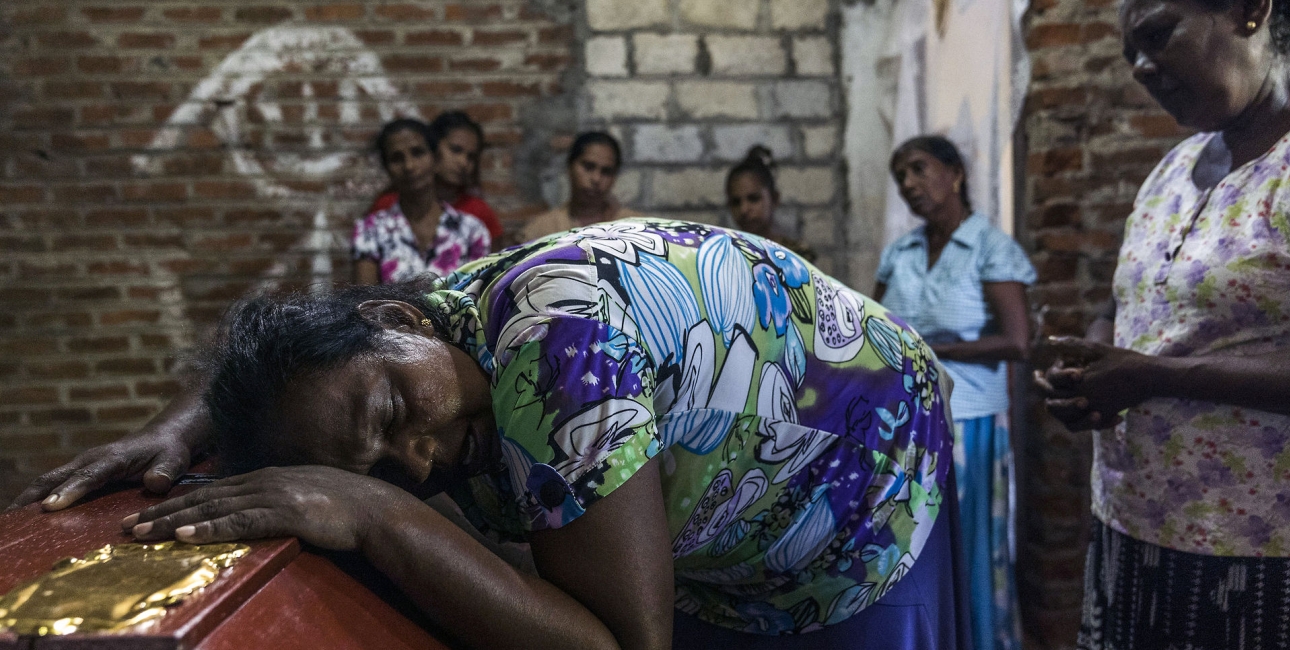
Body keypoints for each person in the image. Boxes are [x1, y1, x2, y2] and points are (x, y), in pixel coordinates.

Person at [13, 219, 971, 649]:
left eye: (395, 413)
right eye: (388, 469)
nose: (421, 460)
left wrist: (383, 512)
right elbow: (323, 377)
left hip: (863, 481)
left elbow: (625, 646)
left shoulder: (561, 349)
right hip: (718, 522)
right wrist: (203, 417)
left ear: (405, 316)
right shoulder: (424, 337)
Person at [1033, 0, 1290, 644]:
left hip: (1255, 554)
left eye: (1158, 35)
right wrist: (1090, 361)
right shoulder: (1173, 171)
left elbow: (1157, 359)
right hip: (1131, 527)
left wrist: (1153, 377)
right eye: (1129, 55)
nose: (1142, 68)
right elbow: (1130, 302)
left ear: (1249, 11)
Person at [874, 136, 1033, 650]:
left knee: (970, 551)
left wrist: (932, 347)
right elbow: (872, 328)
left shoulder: (989, 247)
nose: (909, 185)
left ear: (956, 174)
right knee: (911, 548)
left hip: (967, 424)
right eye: (901, 176)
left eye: (919, 170)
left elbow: (1017, 341)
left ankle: (981, 639)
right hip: (904, 429)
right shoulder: (899, 253)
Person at [353, 118, 491, 285]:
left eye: (418, 153)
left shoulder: (472, 231)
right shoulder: (370, 231)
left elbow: (481, 299)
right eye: (397, 158)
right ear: (387, 168)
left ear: (435, 158)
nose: (409, 166)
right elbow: (365, 303)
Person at [368, 111, 505, 244]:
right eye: (455, 150)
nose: (463, 163)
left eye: (471, 157)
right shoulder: (388, 206)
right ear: (433, 148)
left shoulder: (479, 212)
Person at [519, 132, 639, 242]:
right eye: (588, 167)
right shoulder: (541, 231)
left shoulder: (635, 229)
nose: (596, 178)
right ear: (570, 167)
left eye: (606, 171)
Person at [725, 147, 817, 262]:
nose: (744, 209)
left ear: (774, 199)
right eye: (736, 202)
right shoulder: (725, 255)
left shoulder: (796, 256)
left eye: (753, 199)